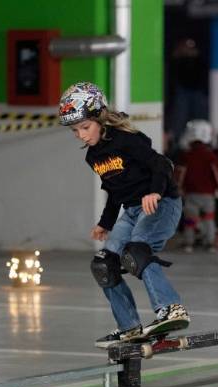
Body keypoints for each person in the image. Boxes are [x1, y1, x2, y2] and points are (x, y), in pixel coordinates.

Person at [58, 82, 190, 348]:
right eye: (75, 131)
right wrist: (105, 223)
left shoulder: (126, 140)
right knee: (104, 264)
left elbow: (162, 164)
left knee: (136, 251)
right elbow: (114, 190)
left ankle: (171, 308)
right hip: (130, 211)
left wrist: (154, 192)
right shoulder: (93, 157)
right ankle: (129, 326)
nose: (81, 135)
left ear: (99, 119)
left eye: (85, 127)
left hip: (161, 204)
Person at [174, 119, 218, 252]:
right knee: (209, 219)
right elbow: (217, 176)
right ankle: (210, 243)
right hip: (208, 195)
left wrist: (177, 189)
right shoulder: (211, 156)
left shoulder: (186, 156)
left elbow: (180, 175)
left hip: (191, 194)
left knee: (190, 221)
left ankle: (189, 243)